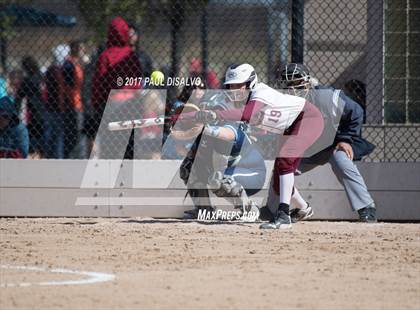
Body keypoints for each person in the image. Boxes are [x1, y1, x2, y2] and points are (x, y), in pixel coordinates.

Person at [179, 63, 324, 228]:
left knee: (285, 162)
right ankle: (303, 209)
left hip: (307, 118)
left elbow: (246, 115)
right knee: (279, 176)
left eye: (238, 85)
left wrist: (214, 114)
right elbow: (225, 112)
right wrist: (191, 116)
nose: (234, 89)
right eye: (231, 86)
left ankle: (284, 216)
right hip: (287, 126)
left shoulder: (259, 92)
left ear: (250, 83)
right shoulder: (240, 101)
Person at [265, 63, 376, 222]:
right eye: (288, 85)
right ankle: (273, 210)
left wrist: (345, 139)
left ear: (308, 82)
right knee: (281, 168)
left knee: (342, 162)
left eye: (297, 83)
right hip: (307, 149)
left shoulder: (327, 97)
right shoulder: (284, 105)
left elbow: (356, 111)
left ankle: (366, 207)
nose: (293, 89)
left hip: (333, 145)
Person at [178, 88, 266, 220]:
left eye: (211, 110)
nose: (205, 113)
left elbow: (223, 134)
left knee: (219, 180)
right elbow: (186, 151)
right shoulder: (203, 133)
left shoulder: (231, 128)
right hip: (227, 171)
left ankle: (250, 209)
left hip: (252, 174)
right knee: (188, 167)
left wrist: (203, 128)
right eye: (203, 109)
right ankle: (204, 210)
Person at [91, 17, 142, 158]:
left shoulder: (105, 56)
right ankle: (128, 176)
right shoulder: (131, 55)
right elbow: (137, 82)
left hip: (111, 103)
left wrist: (97, 104)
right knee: (130, 145)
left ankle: (109, 175)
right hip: (131, 103)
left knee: (109, 147)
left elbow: (98, 84)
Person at [15, 56, 47, 157]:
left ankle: (34, 154)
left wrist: (15, 112)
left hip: (34, 113)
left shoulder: (28, 80)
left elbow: (19, 97)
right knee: (41, 137)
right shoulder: (42, 76)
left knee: (32, 137)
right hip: (45, 111)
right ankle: (40, 154)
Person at [44, 44, 69, 158]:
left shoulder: (51, 69)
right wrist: (61, 107)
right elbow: (59, 90)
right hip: (57, 108)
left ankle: (51, 156)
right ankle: (57, 158)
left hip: (51, 107)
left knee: (52, 135)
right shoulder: (57, 70)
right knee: (58, 137)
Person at [63, 40, 85, 158]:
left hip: (78, 103)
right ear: (75, 49)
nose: (83, 51)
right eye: (81, 48)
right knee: (76, 134)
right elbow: (69, 86)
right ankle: (76, 158)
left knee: (78, 134)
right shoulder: (69, 64)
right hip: (73, 104)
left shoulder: (75, 63)